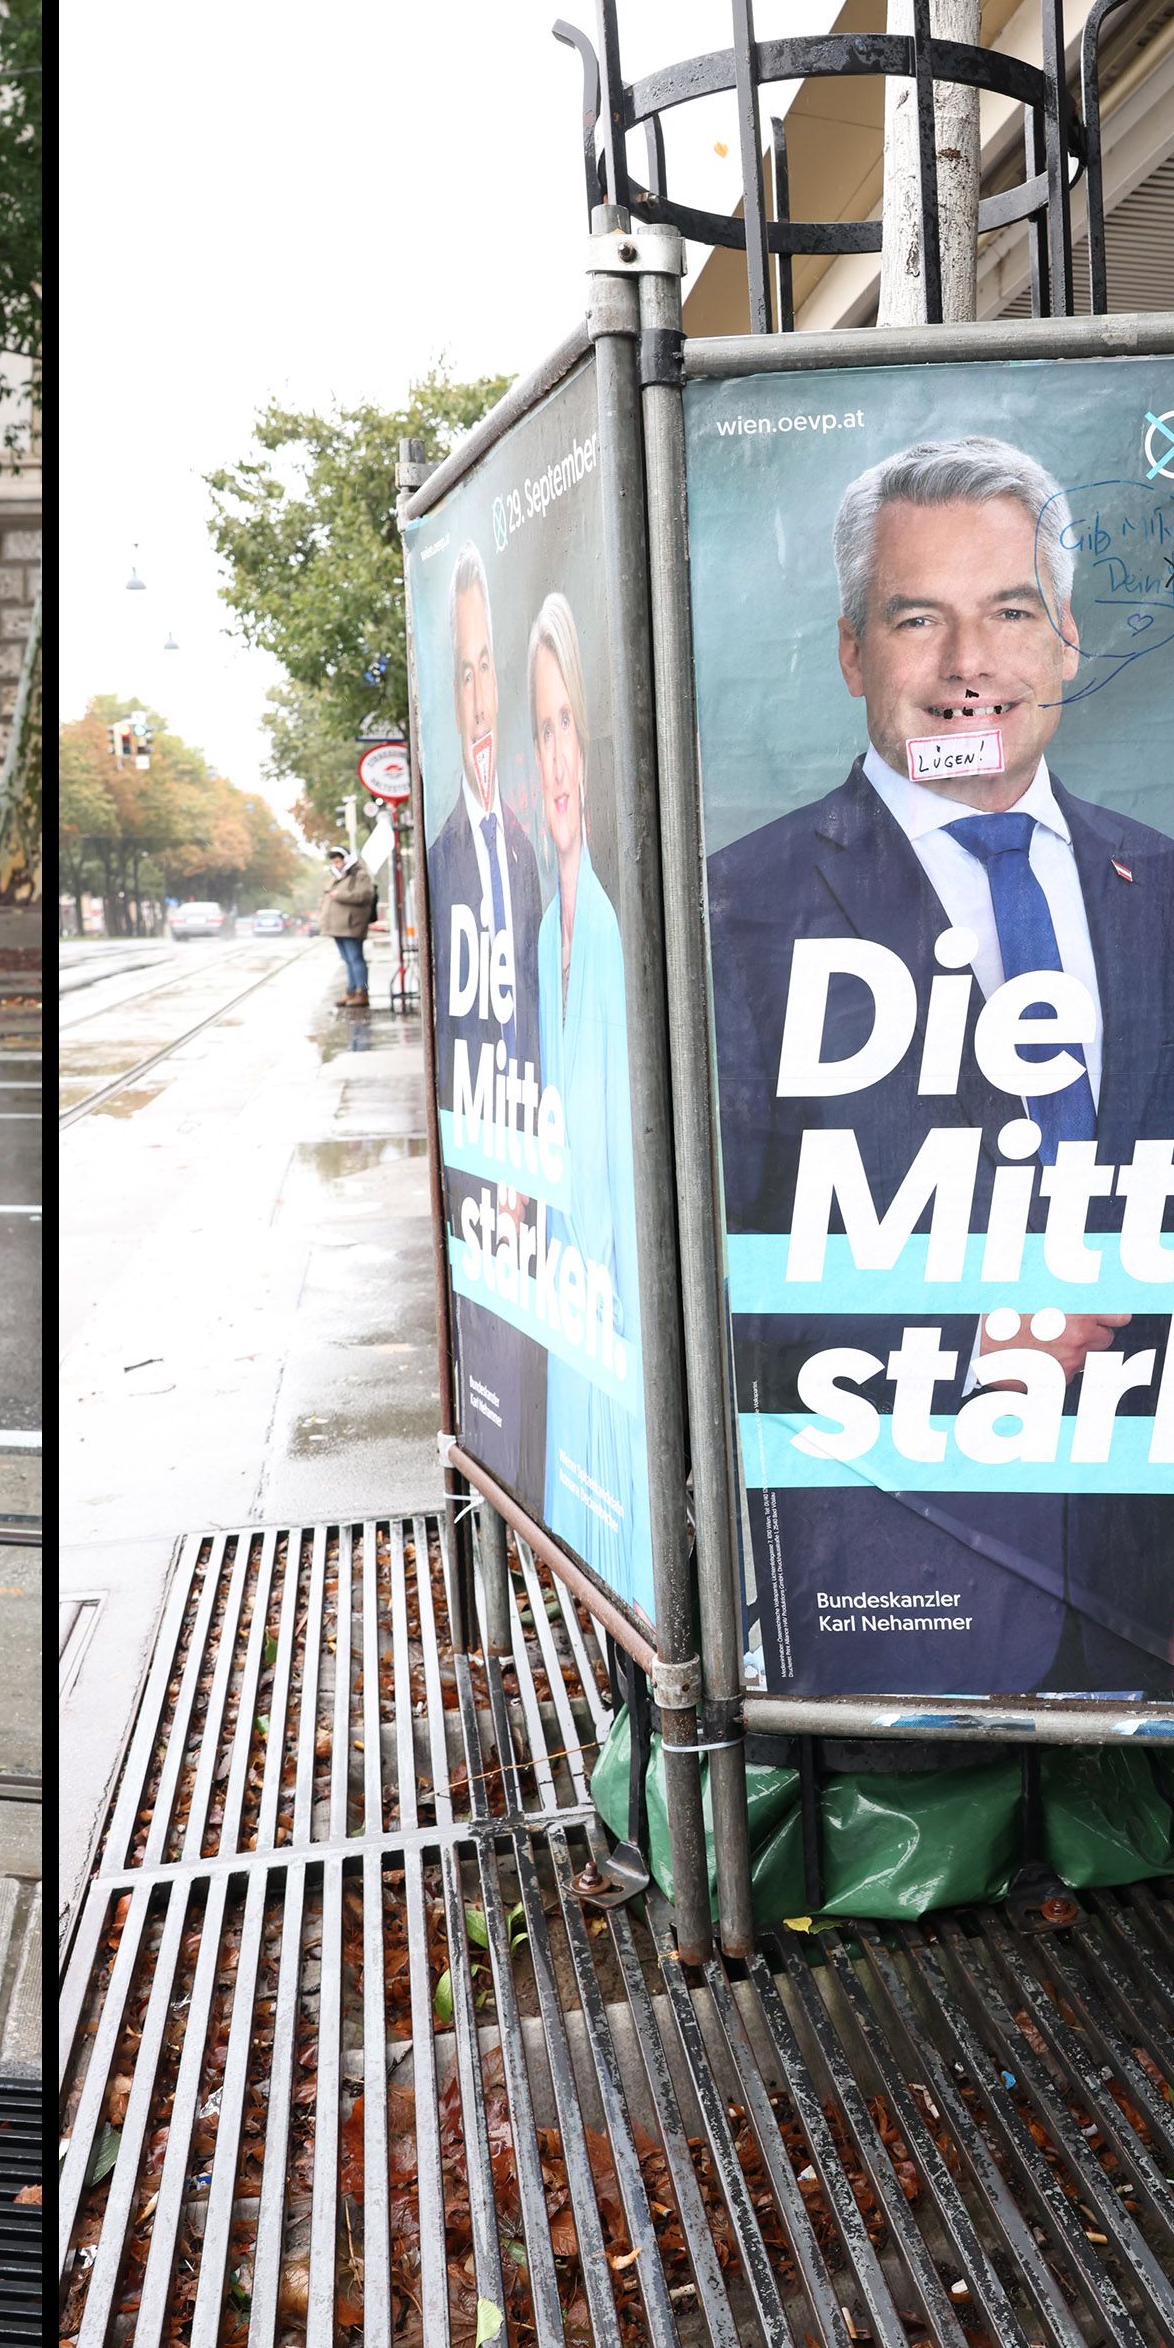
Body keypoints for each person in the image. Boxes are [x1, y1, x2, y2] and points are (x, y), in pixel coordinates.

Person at [706, 435, 1174, 1699]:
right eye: (916, 621)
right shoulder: (740, 911)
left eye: (1007, 611)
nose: (968, 667)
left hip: (1143, 1577)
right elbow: (708, 1268)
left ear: (1061, 635)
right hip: (897, 1569)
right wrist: (972, 1338)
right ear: (851, 651)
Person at [525, 593, 646, 1609]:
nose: (555, 756)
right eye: (541, 730)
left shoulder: (613, 930)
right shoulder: (538, 935)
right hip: (573, 1305)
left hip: (623, 1301)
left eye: (569, 727)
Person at [425, 546, 548, 1481]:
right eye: (461, 671)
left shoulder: (528, 841)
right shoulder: (444, 858)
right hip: (490, 1171)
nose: (477, 696)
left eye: (485, 669)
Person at [318, 845, 380, 1005]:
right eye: (334, 862)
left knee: (356, 958)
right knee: (347, 959)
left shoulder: (360, 874)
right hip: (337, 927)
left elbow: (364, 895)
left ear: (346, 859)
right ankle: (351, 991)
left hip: (351, 925)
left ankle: (362, 992)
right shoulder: (336, 877)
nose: (337, 864)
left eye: (339, 861)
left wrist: (340, 895)